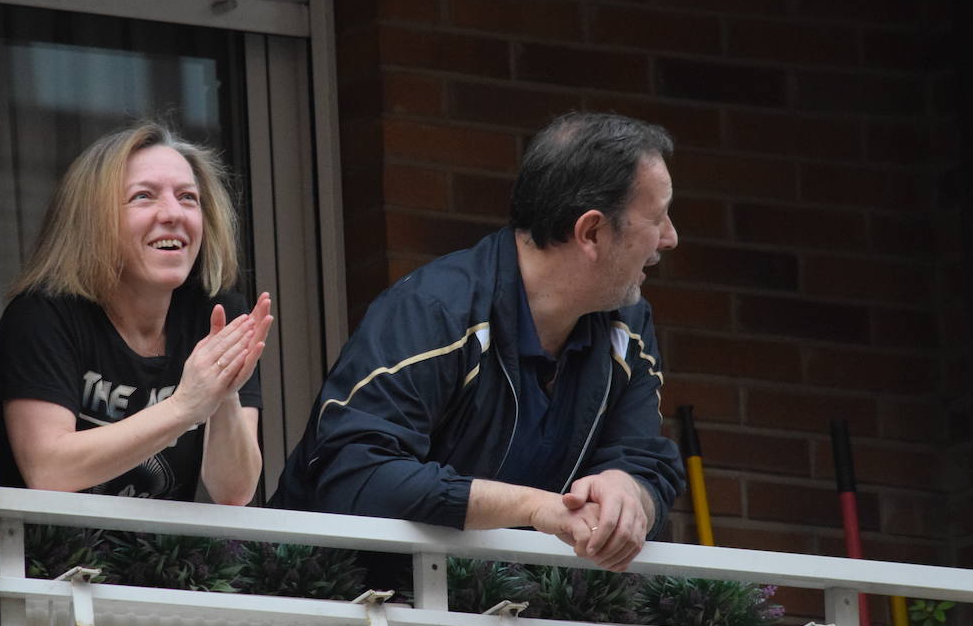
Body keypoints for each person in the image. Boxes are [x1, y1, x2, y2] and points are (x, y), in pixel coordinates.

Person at [272, 111, 684, 573]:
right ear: (591, 232)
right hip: (331, 615)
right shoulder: (434, 312)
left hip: (502, 623)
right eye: (658, 217)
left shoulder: (627, 325)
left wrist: (627, 490)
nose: (670, 238)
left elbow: (646, 458)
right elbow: (357, 478)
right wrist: (533, 508)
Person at [0, 122, 272, 505]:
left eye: (188, 197)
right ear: (94, 220)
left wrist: (225, 394)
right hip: (43, 560)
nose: (173, 213)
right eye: (143, 197)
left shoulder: (217, 315)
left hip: (155, 563)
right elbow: (49, 470)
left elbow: (234, 492)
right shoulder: (43, 315)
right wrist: (186, 406)